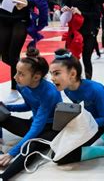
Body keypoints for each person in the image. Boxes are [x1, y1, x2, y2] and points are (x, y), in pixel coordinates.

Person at [49, 49, 104, 165]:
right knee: (57, 155)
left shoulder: (95, 89)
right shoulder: (67, 90)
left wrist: (84, 122)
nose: (52, 78)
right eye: (51, 73)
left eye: (56, 73)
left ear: (72, 74)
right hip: (91, 129)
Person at [0, 48, 62, 180]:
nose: (15, 77)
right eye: (16, 72)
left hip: (51, 129)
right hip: (35, 123)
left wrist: (12, 152)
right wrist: (6, 107)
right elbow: (29, 105)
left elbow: (37, 127)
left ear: (36, 77)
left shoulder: (49, 93)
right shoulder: (21, 86)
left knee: (31, 146)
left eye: (21, 74)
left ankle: (4, 177)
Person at [0, 0, 39, 104]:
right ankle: (27, 74)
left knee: (14, 53)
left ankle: (15, 89)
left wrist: (27, 3)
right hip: (2, 19)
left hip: (20, 20)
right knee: (5, 55)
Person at [62, 0, 100, 79]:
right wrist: (64, 8)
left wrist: (81, 13)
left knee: (86, 58)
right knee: (71, 57)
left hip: (88, 32)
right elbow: (64, 4)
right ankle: (74, 79)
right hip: (74, 32)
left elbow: (97, 14)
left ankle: (88, 82)